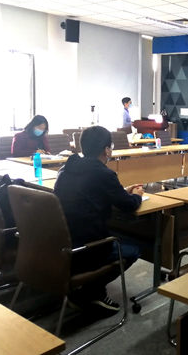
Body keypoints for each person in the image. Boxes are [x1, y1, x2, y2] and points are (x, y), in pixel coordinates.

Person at [53, 125, 144, 315]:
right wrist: (137, 195)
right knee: (134, 248)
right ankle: (92, 293)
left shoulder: (66, 169)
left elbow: (89, 192)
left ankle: (89, 289)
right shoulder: (103, 173)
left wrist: (120, 192)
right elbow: (128, 205)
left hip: (60, 245)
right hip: (85, 249)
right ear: (107, 150)